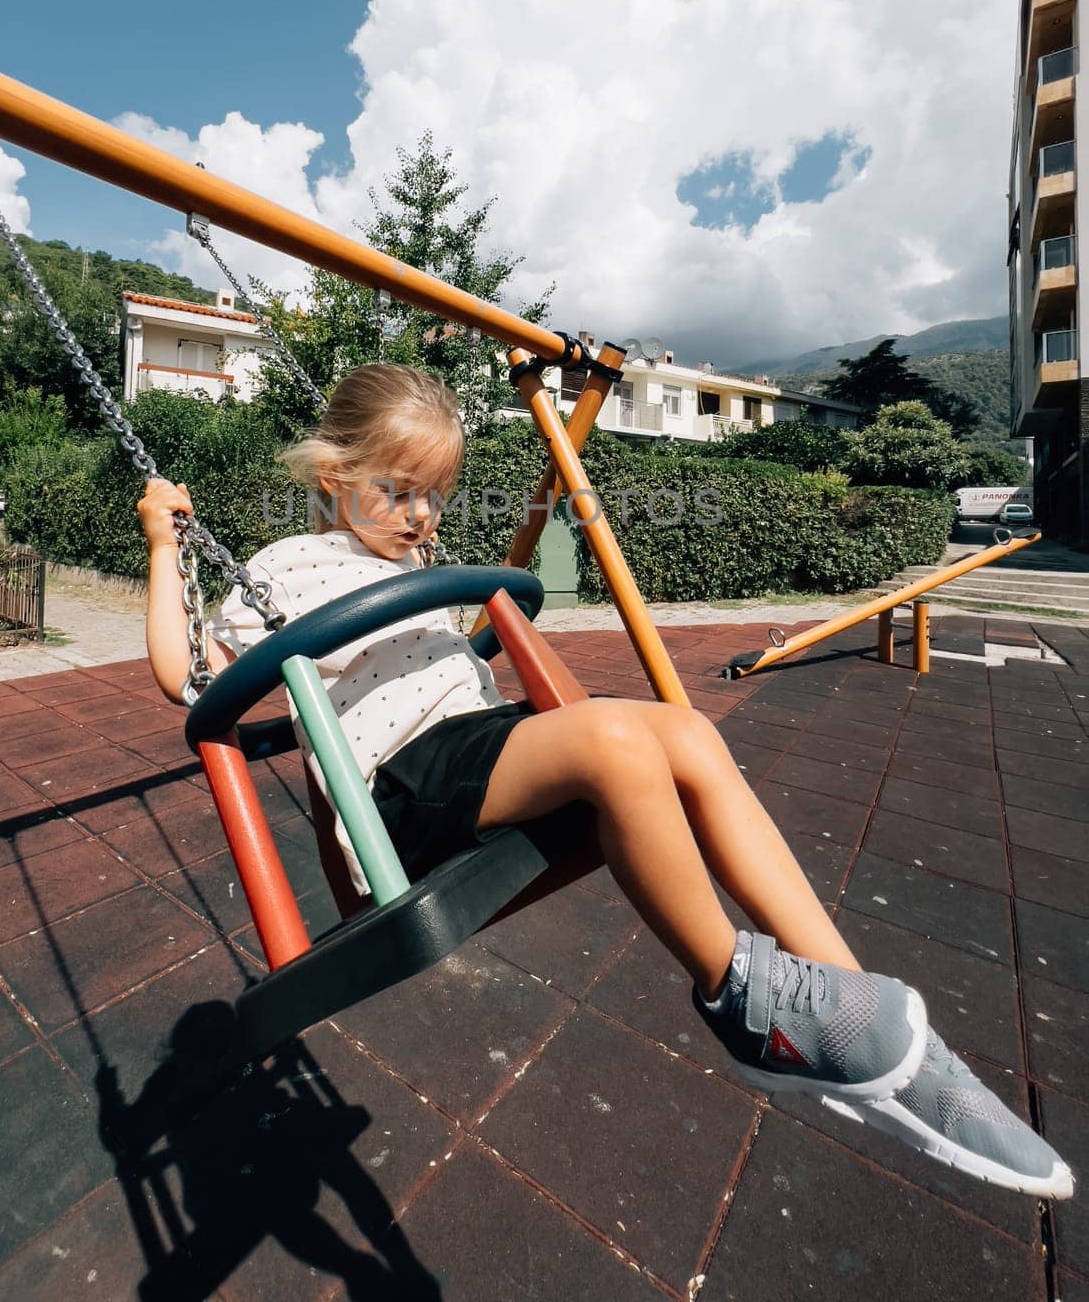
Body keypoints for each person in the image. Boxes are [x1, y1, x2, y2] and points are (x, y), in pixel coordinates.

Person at [140, 363, 1072, 1201]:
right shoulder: (279, 570)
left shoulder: (407, 558)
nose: (423, 516)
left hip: (479, 746)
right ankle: (743, 1003)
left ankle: (846, 999)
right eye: (400, 492)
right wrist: (161, 546)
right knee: (621, 741)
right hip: (401, 787)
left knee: (688, 734)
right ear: (335, 475)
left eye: (437, 495)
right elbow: (187, 679)